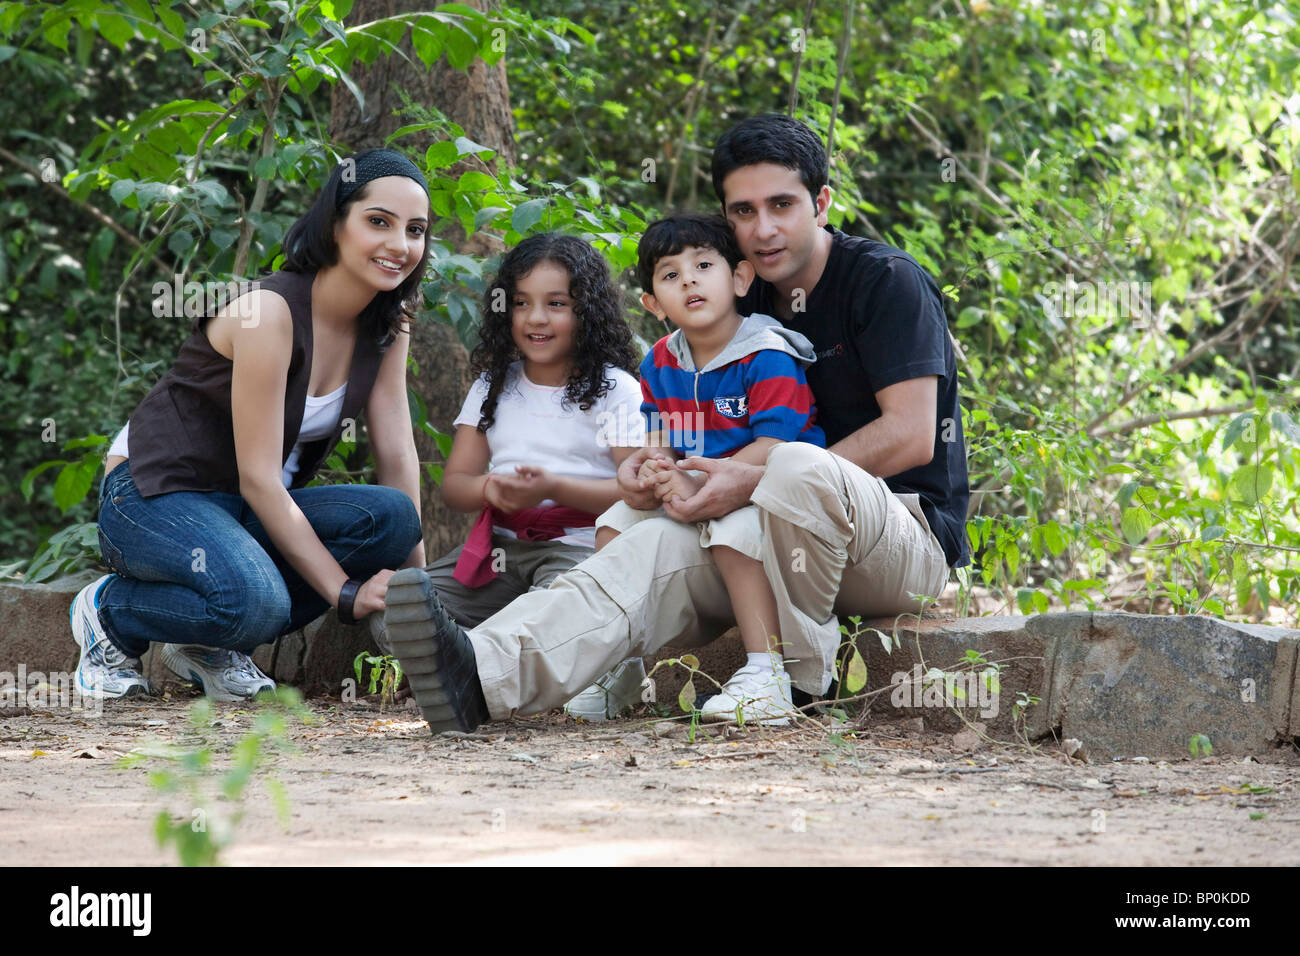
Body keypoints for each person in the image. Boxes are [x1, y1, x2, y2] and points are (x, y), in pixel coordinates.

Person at [381, 114, 969, 734]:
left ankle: (793, 676)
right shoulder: (738, 292)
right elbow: (677, 417)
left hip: (893, 541)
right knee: (637, 543)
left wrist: (750, 478)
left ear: (821, 203)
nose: (763, 229)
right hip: (755, 536)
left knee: (792, 461)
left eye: (782, 205)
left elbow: (910, 434)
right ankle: (481, 671)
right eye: (743, 212)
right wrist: (653, 473)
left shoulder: (884, 282)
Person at [70, 148, 428, 701]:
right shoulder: (270, 314)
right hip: (153, 496)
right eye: (378, 222)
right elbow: (260, 478)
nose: (399, 245)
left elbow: (398, 454)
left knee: (393, 521)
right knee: (256, 604)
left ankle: (203, 642)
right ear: (335, 224)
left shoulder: (387, 325)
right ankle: (110, 612)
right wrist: (344, 594)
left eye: (415, 230)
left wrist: (416, 590)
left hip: (241, 511)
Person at [369, 234, 645, 720]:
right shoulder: (493, 385)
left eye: (556, 304)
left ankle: (494, 659)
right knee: (389, 613)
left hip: (580, 548)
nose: (536, 318)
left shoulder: (615, 389)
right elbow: (456, 485)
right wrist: (490, 489)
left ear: (588, 311)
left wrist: (552, 489)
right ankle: (480, 655)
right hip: (498, 550)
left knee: (560, 612)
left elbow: (635, 490)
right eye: (521, 303)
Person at [594, 213, 825, 724]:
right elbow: (657, 431)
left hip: (772, 497)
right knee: (612, 524)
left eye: (703, 265)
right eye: (670, 275)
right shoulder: (659, 361)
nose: (690, 280)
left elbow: (775, 445)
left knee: (733, 529)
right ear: (653, 304)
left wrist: (695, 479)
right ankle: (622, 666)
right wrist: (651, 467)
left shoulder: (766, 355)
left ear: (740, 279)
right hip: (694, 487)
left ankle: (768, 674)